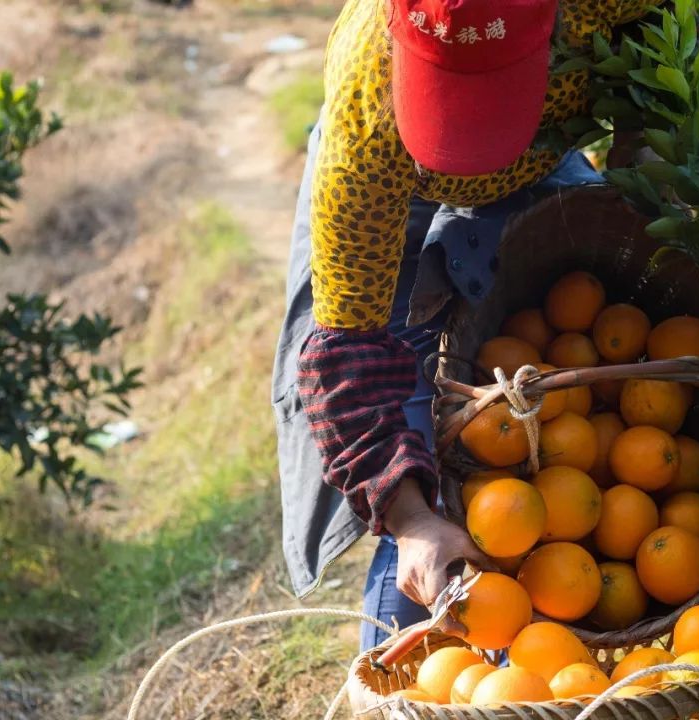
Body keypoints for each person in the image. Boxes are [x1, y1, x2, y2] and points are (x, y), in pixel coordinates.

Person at [272, 0, 661, 652]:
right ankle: (416, 668)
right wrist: (415, 519)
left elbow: (658, 64)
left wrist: (640, 169)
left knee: (530, 413)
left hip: (543, 152)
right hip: (402, 178)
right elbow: (351, 353)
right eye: (453, 104)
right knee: (416, 451)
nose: (470, 156)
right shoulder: (370, 112)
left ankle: (547, 663)